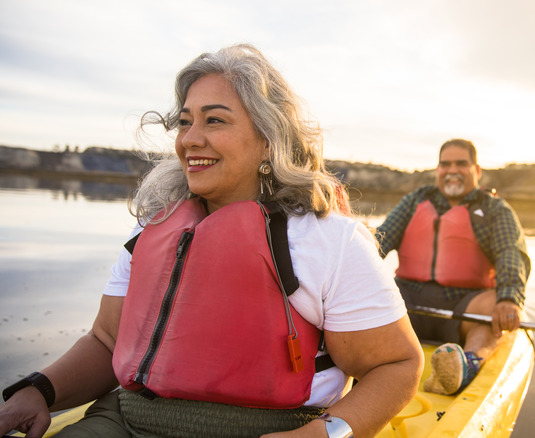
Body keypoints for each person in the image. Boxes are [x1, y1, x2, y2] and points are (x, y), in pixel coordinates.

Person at [0, 44, 423, 438]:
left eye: (214, 120)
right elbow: (106, 342)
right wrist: (39, 391)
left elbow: (396, 364)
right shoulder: (153, 227)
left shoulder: (330, 240)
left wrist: (326, 433)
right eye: (185, 122)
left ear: (268, 139)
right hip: (127, 420)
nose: (189, 139)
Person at [374, 138, 530, 396]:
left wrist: (510, 298)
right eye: (445, 164)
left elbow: (510, 252)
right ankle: (364, 361)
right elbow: (380, 241)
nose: (452, 170)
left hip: (464, 305)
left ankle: (467, 363)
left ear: (476, 171)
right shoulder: (416, 201)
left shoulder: (494, 210)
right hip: (408, 302)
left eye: (461, 163)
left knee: (494, 305)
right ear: (438, 170)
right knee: (371, 289)